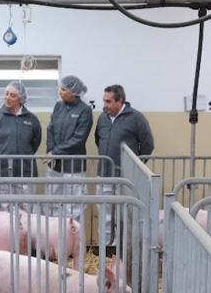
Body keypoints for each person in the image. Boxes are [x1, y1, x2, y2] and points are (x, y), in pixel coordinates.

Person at [94, 84, 155, 246]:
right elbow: (98, 140)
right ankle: (106, 248)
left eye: (108, 101)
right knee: (105, 213)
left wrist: (135, 167)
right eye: (104, 101)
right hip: (104, 174)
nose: (105, 105)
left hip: (125, 177)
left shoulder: (136, 118)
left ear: (120, 100)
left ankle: (124, 250)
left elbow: (148, 145)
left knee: (124, 215)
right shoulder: (102, 118)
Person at [0, 81, 42, 202]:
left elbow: (35, 143)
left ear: (21, 99)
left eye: (12, 95)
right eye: (6, 94)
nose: (7, 98)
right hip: (1, 173)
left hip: (26, 173)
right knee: (2, 212)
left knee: (26, 211)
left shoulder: (32, 119)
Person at [45, 74, 93, 221]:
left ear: (74, 92)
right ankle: (54, 241)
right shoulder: (58, 106)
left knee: (73, 207)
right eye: (61, 88)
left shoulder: (85, 110)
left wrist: (56, 152)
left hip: (74, 166)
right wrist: (50, 151)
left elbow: (78, 139)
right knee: (53, 205)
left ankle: (73, 242)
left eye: (64, 89)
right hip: (55, 164)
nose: (60, 92)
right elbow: (51, 129)